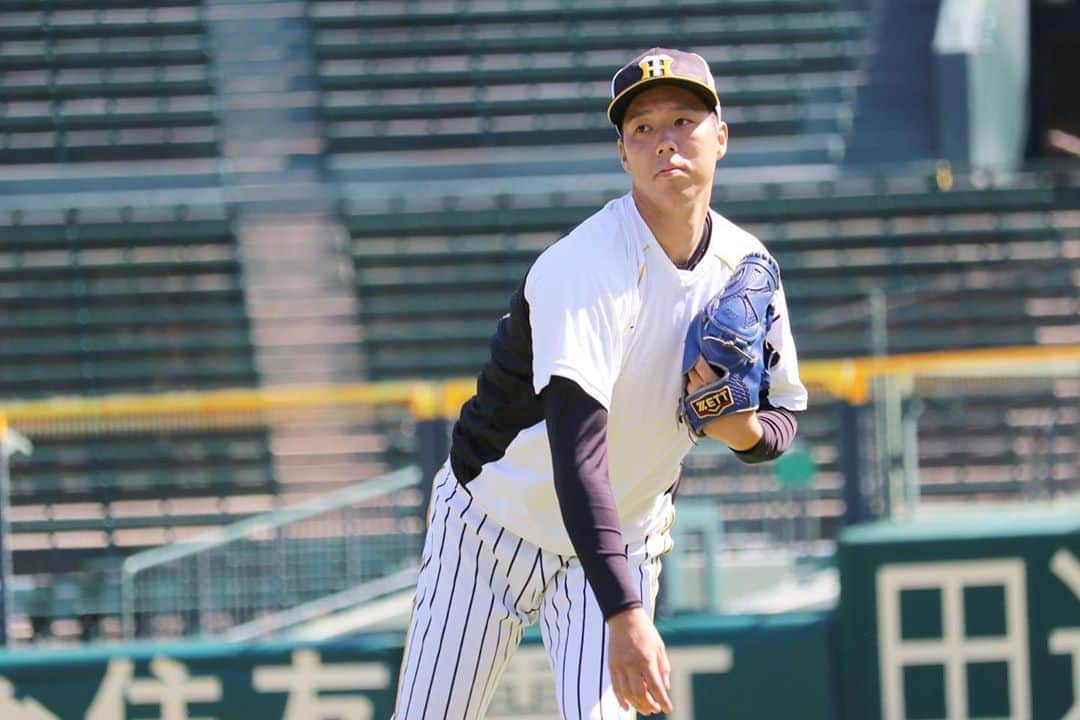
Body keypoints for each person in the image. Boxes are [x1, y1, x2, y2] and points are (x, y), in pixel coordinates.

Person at [392, 47, 807, 719]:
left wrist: (743, 429)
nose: (663, 140)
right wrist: (626, 614)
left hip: (622, 531)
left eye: (683, 119)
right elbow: (577, 459)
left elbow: (783, 414)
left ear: (721, 138)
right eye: (641, 128)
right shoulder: (584, 266)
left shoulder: (748, 267)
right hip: (493, 525)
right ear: (622, 154)